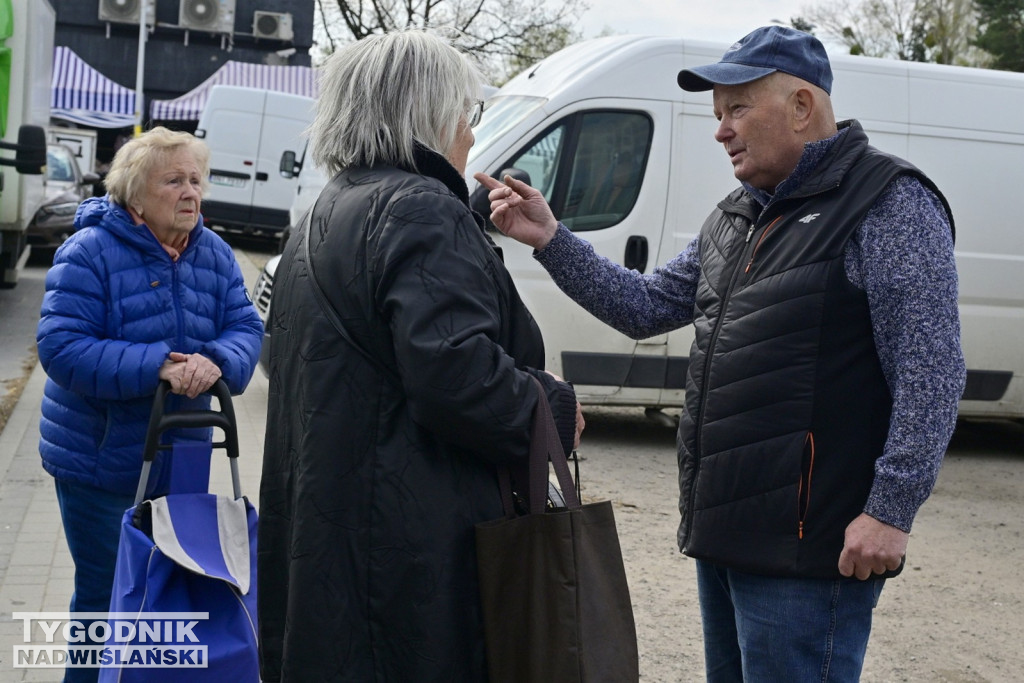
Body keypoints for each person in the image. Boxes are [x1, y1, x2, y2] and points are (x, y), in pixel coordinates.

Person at [476, 25, 965, 682]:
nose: (720, 129)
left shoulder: (889, 203)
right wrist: (551, 239)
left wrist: (890, 509)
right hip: (726, 541)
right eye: (717, 114)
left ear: (801, 106)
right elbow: (645, 307)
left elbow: (930, 370)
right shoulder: (736, 216)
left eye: (737, 108)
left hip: (806, 555)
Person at [257, 29, 583, 682]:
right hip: (408, 558)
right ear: (430, 114)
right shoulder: (421, 209)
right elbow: (455, 378)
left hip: (332, 545)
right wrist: (550, 402)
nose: (469, 133)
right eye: (465, 112)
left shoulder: (324, 211)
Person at [36, 126, 264, 683]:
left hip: (181, 456)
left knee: (166, 592)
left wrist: (215, 361)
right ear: (136, 193)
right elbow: (61, 348)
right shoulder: (89, 251)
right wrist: (160, 363)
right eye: (174, 180)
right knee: (103, 595)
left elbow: (245, 326)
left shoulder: (212, 250)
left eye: (195, 179)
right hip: (101, 460)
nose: (192, 192)